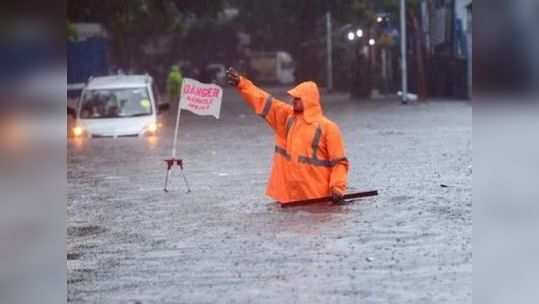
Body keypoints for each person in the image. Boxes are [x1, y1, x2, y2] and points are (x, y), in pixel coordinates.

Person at [226, 67, 349, 204]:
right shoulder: (287, 117)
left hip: (317, 199)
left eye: (298, 98)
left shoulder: (329, 128)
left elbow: (339, 163)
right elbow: (264, 101)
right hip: (289, 198)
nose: (293, 101)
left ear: (309, 100)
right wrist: (242, 84)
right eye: (294, 98)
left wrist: (337, 187)